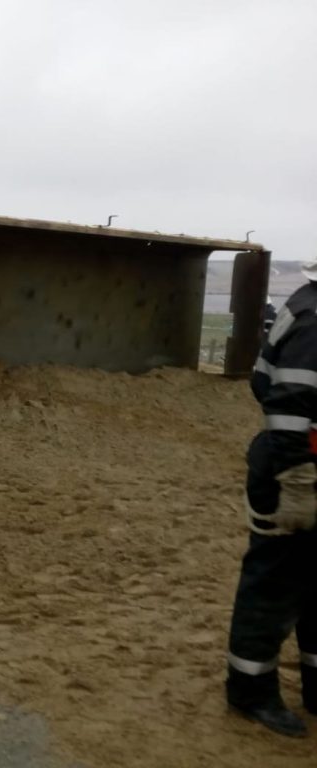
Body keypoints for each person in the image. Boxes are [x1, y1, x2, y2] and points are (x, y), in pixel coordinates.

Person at [226, 261, 317, 737]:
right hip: (294, 472)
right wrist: (298, 483)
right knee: (274, 584)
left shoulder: (305, 303)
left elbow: (261, 383)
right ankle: (251, 692)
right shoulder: (315, 320)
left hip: (302, 466)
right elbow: (285, 406)